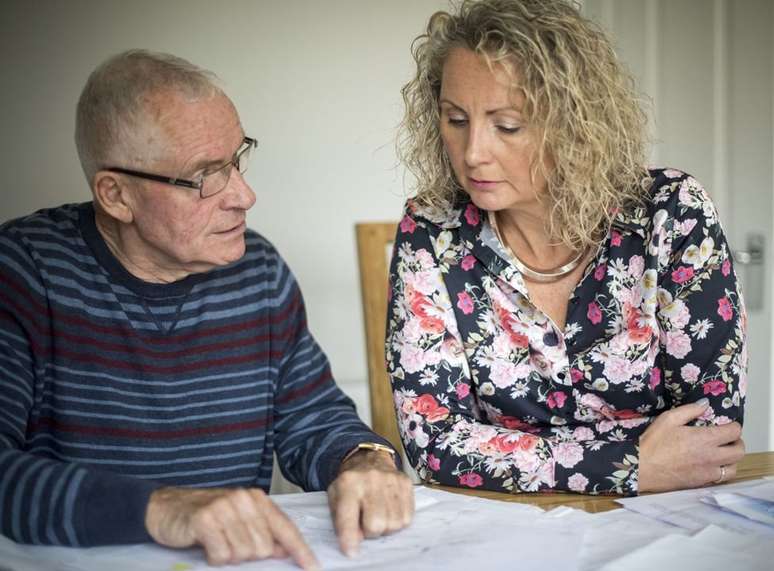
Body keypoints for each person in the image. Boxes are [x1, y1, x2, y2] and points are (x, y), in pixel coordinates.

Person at [0, 50, 413, 569]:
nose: (245, 194)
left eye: (236, 160)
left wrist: (363, 460)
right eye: (204, 176)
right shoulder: (22, 273)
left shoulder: (258, 270)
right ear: (116, 195)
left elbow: (314, 418)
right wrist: (160, 508)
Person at [387, 0, 746, 496]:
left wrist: (514, 456)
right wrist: (629, 465)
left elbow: (711, 435)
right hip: (508, 523)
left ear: (574, 122)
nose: (473, 153)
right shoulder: (431, 230)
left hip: (670, 516)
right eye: (456, 119)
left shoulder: (671, 213)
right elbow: (433, 442)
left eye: (507, 125)